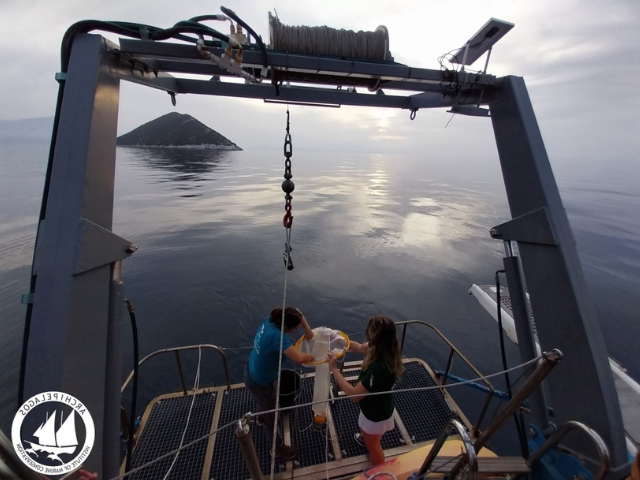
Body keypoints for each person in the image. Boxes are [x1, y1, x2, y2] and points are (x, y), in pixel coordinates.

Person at [327, 315, 404, 466]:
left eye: (371, 330)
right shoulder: (386, 348)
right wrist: (343, 341)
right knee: (373, 436)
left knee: (373, 447)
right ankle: (369, 436)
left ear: (376, 336)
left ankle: (378, 472)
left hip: (375, 414)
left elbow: (354, 396)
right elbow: (359, 347)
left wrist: (334, 369)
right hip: (381, 405)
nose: (368, 331)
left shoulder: (378, 368)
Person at [244, 307, 315, 460]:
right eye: (295, 328)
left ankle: (261, 416)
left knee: (265, 403)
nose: (297, 329)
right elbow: (299, 358)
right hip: (261, 381)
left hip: (252, 369)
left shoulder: (270, 320)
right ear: (287, 327)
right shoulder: (278, 338)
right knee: (271, 418)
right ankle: (276, 449)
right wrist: (313, 355)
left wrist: (305, 325)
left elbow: (297, 312)